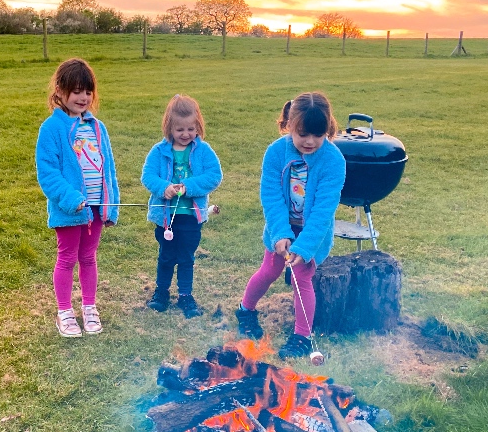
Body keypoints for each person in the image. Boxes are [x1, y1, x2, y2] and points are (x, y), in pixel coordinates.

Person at [235, 92, 345, 357]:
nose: (310, 141)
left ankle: (301, 336)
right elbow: (271, 196)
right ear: (289, 125)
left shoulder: (334, 161)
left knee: (302, 278)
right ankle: (245, 310)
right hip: (281, 227)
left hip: (311, 233)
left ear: (328, 129)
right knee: (269, 270)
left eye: (318, 135)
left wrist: (305, 246)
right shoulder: (275, 153)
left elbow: (323, 210)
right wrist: (280, 234)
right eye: (303, 134)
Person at [35, 58, 120, 338]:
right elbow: (48, 174)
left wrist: (110, 205)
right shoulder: (51, 129)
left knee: (89, 257)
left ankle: (89, 307)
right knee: (67, 257)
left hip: (95, 209)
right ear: (60, 91)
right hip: (69, 210)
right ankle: (64, 312)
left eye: (88, 91)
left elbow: (108, 169)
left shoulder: (98, 128)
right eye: (76, 91)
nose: (83, 97)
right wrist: (71, 198)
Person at [141, 95, 222, 317]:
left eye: (191, 129)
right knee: (166, 255)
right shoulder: (159, 151)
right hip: (165, 218)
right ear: (169, 128)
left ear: (198, 126)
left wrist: (188, 186)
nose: (186, 134)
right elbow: (147, 176)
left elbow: (214, 176)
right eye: (180, 130)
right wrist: (163, 187)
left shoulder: (203, 151)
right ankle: (161, 292)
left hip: (191, 217)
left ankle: (185, 295)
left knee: (186, 257)